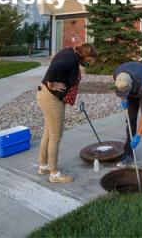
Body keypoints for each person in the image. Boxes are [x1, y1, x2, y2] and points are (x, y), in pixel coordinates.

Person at [37, 43, 97, 183]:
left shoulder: (69, 53)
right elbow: (54, 68)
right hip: (51, 97)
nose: (89, 63)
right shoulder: (71, 59)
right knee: (56, 135)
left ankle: (43, 165)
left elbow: (57, 68)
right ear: (86, 55)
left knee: (48, 132)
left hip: (44, 94)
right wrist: (51, 83)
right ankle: (54, 173)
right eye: (89, 60)